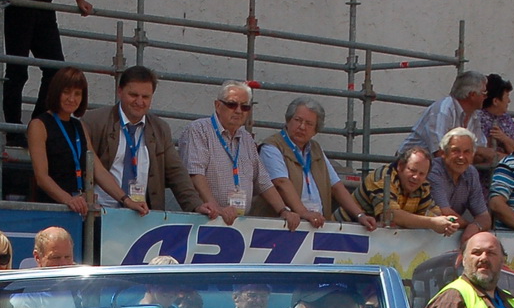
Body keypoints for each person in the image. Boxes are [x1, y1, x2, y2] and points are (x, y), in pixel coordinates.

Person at [0, 0, 92, 129]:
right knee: (17, 69)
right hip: (20, 0)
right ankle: (12, 129)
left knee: (55, 69)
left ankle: (37, 124)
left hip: (44, 1)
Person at [85, 65, 209, 216]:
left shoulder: (160, 129)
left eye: (145, 97)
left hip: (143, 217)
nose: (139, 102)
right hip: (101, 213)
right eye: (133, 95)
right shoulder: (94, 121)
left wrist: (196, 205)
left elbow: (176, 173)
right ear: (119, 91)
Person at [178, 80, 295, 227]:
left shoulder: (246, 138)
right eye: (232, 104)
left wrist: (283, 210)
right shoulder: (199, 130)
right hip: (206, 220)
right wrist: (216, 208)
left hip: (238, 223)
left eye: (245, 107)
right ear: (218, 105)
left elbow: (263, 181)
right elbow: (195, 174)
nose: (239, 111)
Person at [255, 97, 376, 230]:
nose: (302, 127)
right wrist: (304, 213)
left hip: (316, 224)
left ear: (315, 130)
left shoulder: (315, 149)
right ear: (288, 120)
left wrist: (360, 215)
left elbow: (336, 186)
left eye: (309, 124)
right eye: (297, 120)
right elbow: (281, 183)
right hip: (284, 226)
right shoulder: (272, 147)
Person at [27, 67, 106, 213]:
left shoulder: (78, 125)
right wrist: (68, 199)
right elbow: (42, 177)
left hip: (78, 207)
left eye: (77, 94)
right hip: (53, 208)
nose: (72, 99)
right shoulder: (39, 125)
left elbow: (98, 169)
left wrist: (125, 199)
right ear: (56, 92)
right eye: (66, 92)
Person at [359, 146, 460, 234]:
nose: (416, 177)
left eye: (422, 174)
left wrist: (447, 223)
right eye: (412, 170)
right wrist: (433, 223)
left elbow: (431, 213)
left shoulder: (423, 185)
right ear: (400, 166)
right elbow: (391, 215)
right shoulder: (383, 177)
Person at [400, 69, 484, 159]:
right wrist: (477, 151)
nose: (486, 97)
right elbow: (440, 152)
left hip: (441, 165)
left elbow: (480, 154)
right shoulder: (443, 110)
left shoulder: (474, 115)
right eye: (484, 92)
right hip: (412, 165)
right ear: (472, 95)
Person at [428, 127, 491, 244]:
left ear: (473, 156)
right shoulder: (433, 170)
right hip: (423, 235)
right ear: (443, 153)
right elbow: (444, 211)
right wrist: (470, 226)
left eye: (467, 152)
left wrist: (475, 227)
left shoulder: (471, 172)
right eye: (455, 151)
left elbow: (485, 217)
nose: (461, 157)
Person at [465, 73, 514, 168]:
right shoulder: (477, 118)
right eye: (507, 96)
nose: (509, 101)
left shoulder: (506, 118)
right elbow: (481, 154)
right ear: (495, 101)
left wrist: (503, 138)